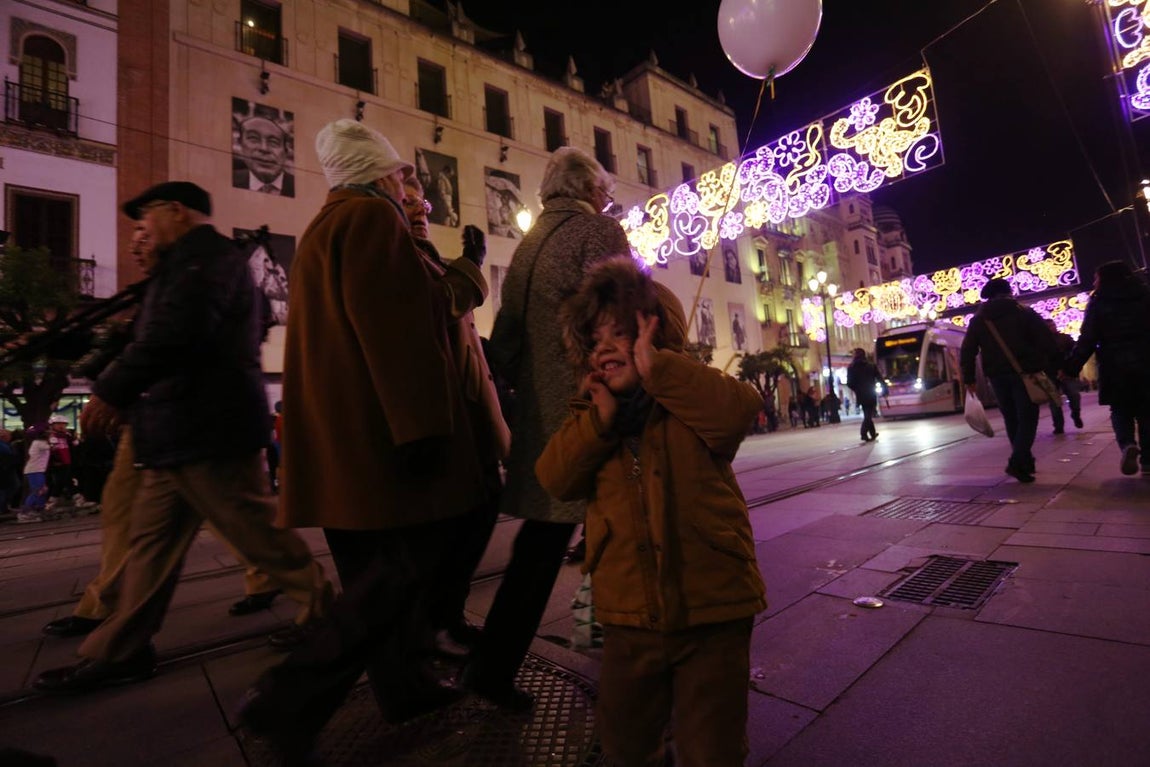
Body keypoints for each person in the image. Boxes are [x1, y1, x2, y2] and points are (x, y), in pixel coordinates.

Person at [238, 119, 488, 757]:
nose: (410, 184)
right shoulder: (373, 221)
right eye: (402, 172)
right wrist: (423, 428)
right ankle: (291, 696)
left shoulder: (326, 225)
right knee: (398, 577)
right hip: (379, 445)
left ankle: (402, 687)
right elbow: (397, 334)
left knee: (375, 578)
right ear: (375, 171)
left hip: (340, 448)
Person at [33, 181, 331, 694]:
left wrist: (111, 390)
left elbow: (175, 333)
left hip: (208, 430)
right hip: (176, 431)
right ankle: (120, 650)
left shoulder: (207, 261)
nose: (139, 233)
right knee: (151, 547)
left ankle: (330, 615)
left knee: (255, 532)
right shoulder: (184, 266)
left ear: (177, 211)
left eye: (145, 220)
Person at [536, 256, 766, 766]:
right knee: (627, 744)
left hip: (713, 609)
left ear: (655, 337)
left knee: (713, 748)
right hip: (628, 618)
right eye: (595, 341)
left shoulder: (688, 396)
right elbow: (555, 476)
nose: (606, 349)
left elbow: (737, 413)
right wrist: (600, 422)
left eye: (622, 333)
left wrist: (658, 368)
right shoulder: (592, 415)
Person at [465, 145, 630, 710]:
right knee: (613, 531)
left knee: (538, 547)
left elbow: (505, 341)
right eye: (604, 190)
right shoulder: (598, 234)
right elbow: (623, 322)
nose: (608, 199)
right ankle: (625, 656)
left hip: (541, 418)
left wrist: (541, 383)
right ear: (589, 189)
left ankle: (493, 664)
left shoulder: (529, 242)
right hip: (591, 413)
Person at [401, 173, 511, 656]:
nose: (421, 210)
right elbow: (435, 311)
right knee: (462, 516)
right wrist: (470, 267)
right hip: (443, 416)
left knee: (480, 506)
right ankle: (435, 623)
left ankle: (441, 617)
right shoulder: (398, 259)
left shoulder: (428, 259)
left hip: (467, 410)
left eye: (422, 202)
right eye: (406, 204)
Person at [960, 277, 1055, 483]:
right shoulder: (1025, 312)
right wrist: (1046, 364)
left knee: (1012, 419)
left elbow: (967, 350)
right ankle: (1017, 461)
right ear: (1009, 292)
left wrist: (968, 378)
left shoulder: (980, 319)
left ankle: (1024, 462)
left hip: (996, 377)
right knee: (1028, 418)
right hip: (1025, 373)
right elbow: (1046, 341)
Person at [1064, 260, 1150, 475]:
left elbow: (1087, 338)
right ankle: (1148, 462)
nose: (1094, 281)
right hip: (1146, 360)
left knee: (1120, 409)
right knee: (1147, 411)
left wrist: (1071, 367)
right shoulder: (1145, 295)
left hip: (1114, 364)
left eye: (1096, 277)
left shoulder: (1098, 301)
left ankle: (1128, 445)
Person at [233, 113, 295, 196]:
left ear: (286, 151)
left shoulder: (302, 188)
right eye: (254, 139)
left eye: (273, 142)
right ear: (241, 145)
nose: (264, 148)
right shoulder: (230, 179)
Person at [1044, 319, 1082, 434]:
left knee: (1074, 395)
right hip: (1050, 373)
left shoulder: (1064, 338)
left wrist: (1070, 368)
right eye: (1049, 326)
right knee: (1054, 401)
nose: (1052, 327)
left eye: (1053, 325)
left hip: (1066, 372)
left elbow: (1074, 352)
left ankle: (1075, 414)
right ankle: (1058, 426)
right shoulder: (1041, 342)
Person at [16, 425, 50, 523]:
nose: (49, 433)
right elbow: (51, 447)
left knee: (42, 489)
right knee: (38, 490)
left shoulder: (37, 442)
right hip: (34, 470)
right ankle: (25, 512)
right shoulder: (39, 443)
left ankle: (39, 508)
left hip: (37, 470)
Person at [847, 347, 881, 442]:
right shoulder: (871, 366)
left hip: (860, 394)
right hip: (871, 393)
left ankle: (873, 434)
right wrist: (885, 390)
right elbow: (879, 378)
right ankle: (863, 433)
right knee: (868, 414)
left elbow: (849, 383)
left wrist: (857, 389)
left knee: (867, 413)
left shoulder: (851, 367)